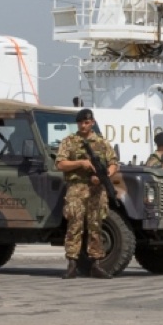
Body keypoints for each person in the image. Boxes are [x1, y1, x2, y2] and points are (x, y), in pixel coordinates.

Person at [55, 108, 119, 279]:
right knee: (74, 226)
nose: (83, 126)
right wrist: (80, 163)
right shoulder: (69, 141)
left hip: (96, 190)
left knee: (95, 226)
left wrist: (104, 175)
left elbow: (113, 163)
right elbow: (60, 164)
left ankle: (96, 264)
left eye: (87, 122)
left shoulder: (102, 142)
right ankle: (72, 264)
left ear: (93, 123)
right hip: (76, 188)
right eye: (80, 123)